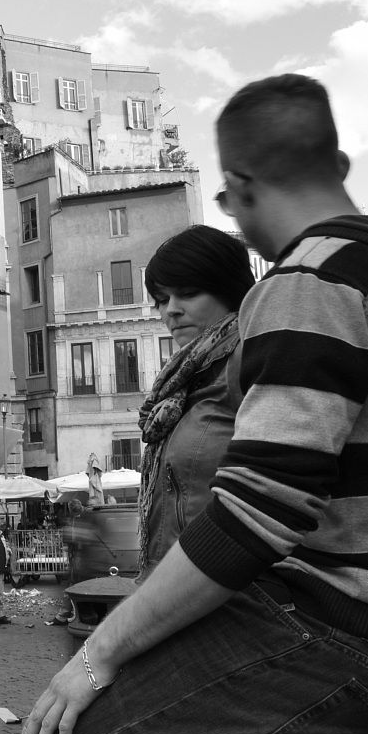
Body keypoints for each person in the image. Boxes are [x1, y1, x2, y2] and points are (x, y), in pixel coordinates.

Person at [8, 73, 368, 734]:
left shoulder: (306, 281)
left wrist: (94, 658)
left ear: (238, 183)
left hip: (336, 625)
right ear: (339, 165)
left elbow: (255, 514)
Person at [137, 225, 255, 578]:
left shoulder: (250, 362)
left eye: (187, 293)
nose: (171, 310)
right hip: (171, 586)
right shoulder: (181, 383)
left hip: (226, 592)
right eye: (161, 299)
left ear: (230, 291)